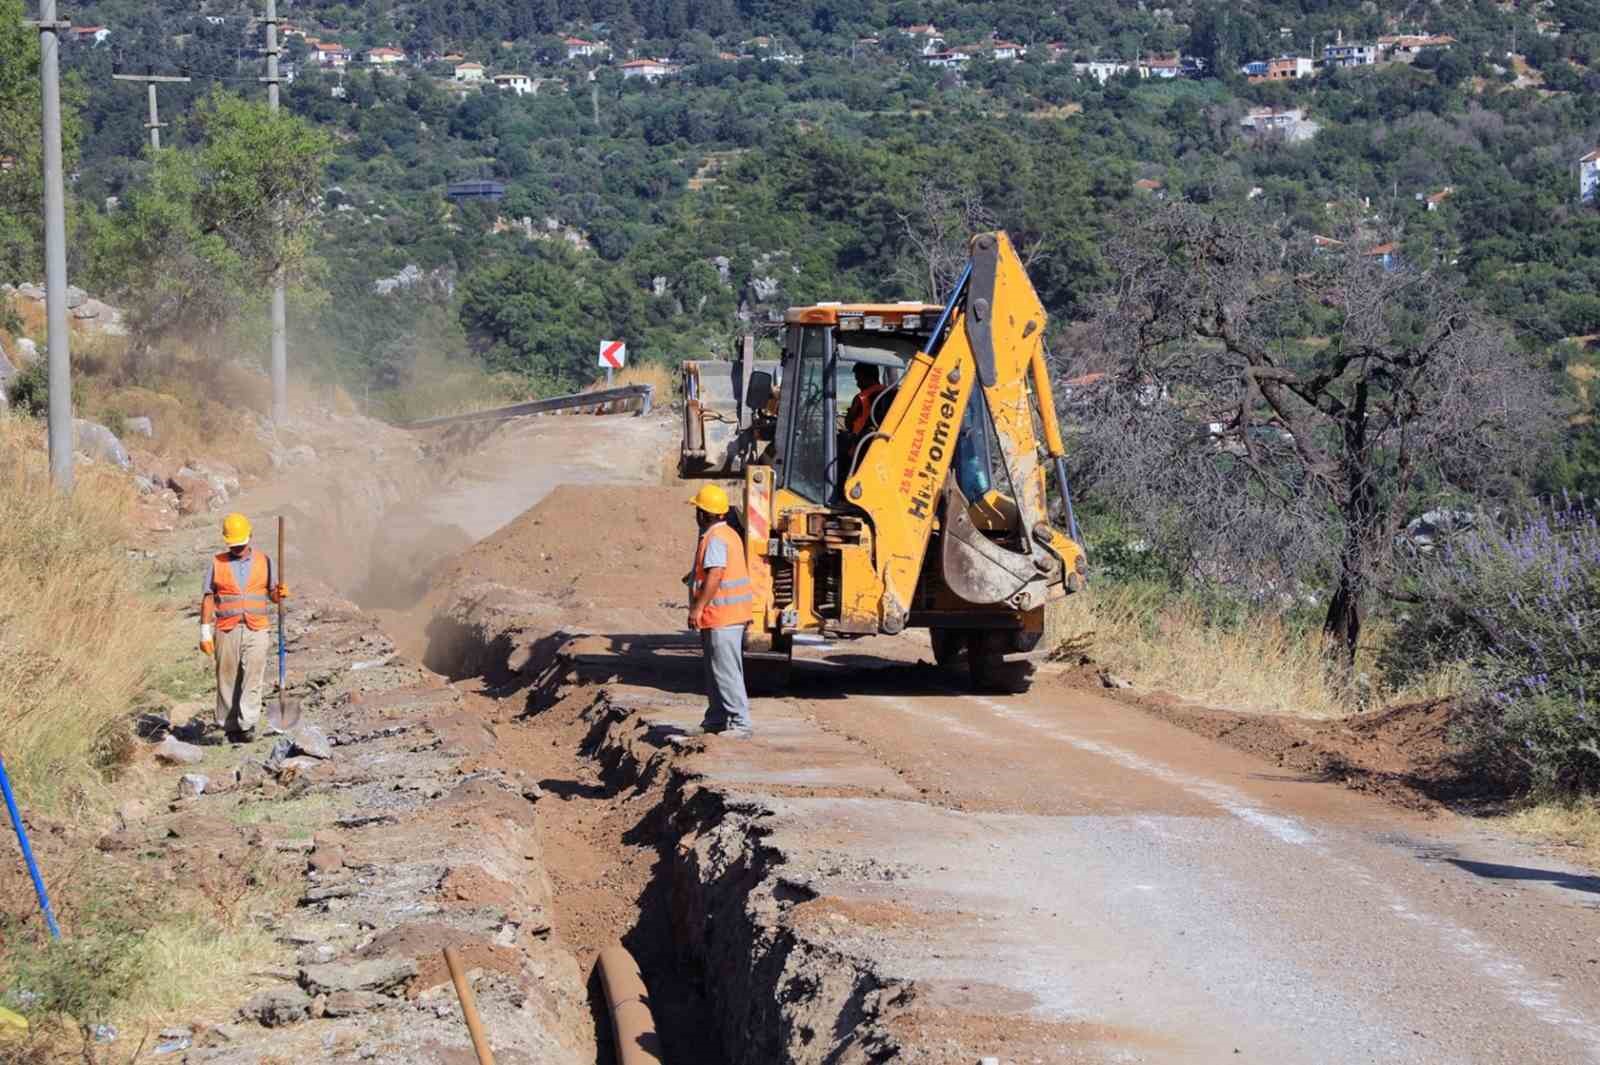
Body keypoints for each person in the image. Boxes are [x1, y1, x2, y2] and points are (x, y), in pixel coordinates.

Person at [200, 513, 288, 743]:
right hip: (226, 629)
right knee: (226, 677)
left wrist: (279, 595)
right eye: (233, 544)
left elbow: (272, 595)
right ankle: (230, 726)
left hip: (256, 628)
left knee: (253, 675)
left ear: (250, 536)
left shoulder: (265, 561)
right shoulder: (217, 563)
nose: (237, 548)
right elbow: (209, 597)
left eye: (241, 544)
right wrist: (205, 632)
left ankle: (247, 723)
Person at [686, 484, 754, 737]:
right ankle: (716, 718)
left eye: (698, 510)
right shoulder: (728, 534)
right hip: (722, 617)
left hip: (722, 617)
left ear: (705, 513)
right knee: (716, 671)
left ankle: (740, 723)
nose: (696, 515)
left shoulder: (716, 538)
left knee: (726, 672)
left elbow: (716, 574)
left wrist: (698, 607)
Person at [845, 363, 886, 437]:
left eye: (859, 380)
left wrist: (850, 412)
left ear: (869, 378)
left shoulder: (861, 397)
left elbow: (848, 424)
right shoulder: (891, 392)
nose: (857, 384)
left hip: (861, 442)